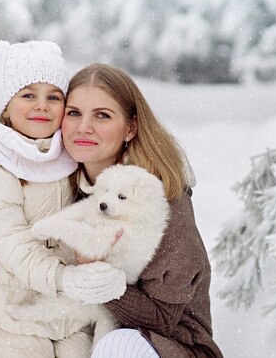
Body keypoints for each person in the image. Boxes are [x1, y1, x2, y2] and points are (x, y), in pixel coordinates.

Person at [0, 42, 127, 358]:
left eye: (53, 97)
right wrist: (63, 277)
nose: (41, 105)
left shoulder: (70, 156)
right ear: (5, 108)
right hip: (8, 299)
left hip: (60, 304)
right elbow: (11, 243)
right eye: (28, 95)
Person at [60, 63, 224, 358]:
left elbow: (163, 320)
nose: (84, 127)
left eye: (102, 115)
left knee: (117, 348)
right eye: (74, 113)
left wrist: (99, 275)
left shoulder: (158, 199)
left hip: (167, 345)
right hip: (82, 335)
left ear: (131, 128)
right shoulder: (61, 185)